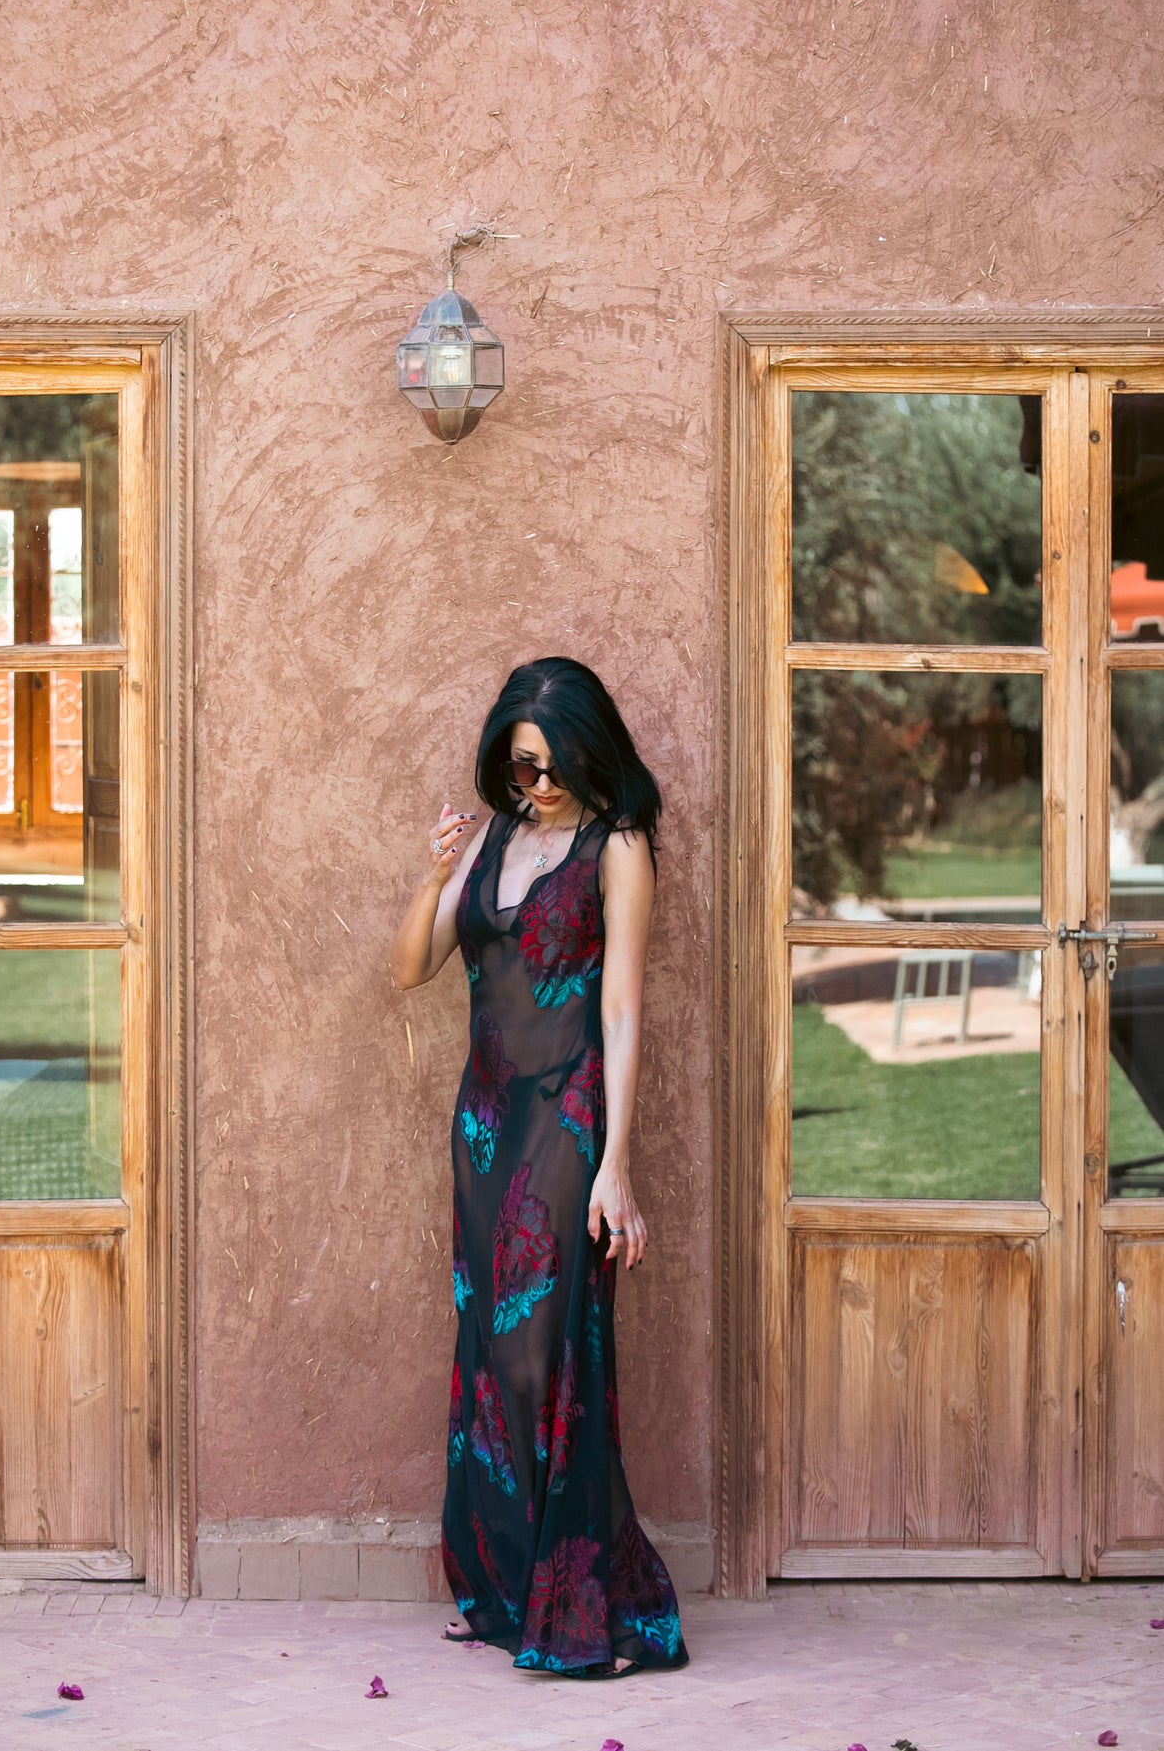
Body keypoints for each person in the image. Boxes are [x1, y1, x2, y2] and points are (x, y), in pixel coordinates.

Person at [391, 657, 689, 1679]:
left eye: (558, 763)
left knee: (548, 1356)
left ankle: (589, 1603)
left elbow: (622, 1010)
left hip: (566, 1122)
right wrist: (436, 873)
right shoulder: (491, 840)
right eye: (525, 763)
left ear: (592, 752)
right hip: (481, 1128)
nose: (543, 782)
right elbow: (408, 967)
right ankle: (513, 1587)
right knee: (491, 1351)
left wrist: (617, 1166)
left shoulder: (619, 848)